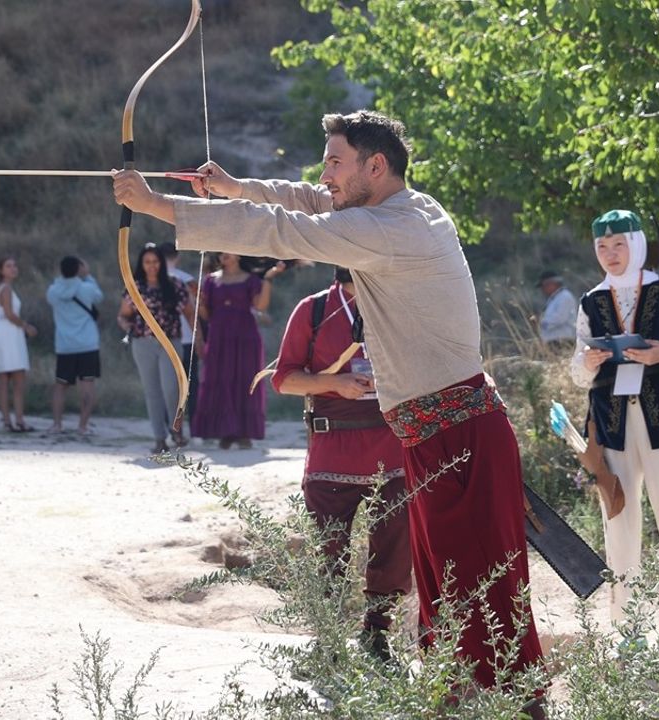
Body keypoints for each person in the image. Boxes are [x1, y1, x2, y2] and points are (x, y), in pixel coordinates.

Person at [112, 110, 544, 715]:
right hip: (441, 432)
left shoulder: (388, 230)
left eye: (336, 161)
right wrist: (238, 187)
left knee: (481, 598)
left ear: (376, 165)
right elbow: (310, 201)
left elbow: (283, 231)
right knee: (454, 599)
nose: (326, 174)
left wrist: (156, 204)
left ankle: (515, 708)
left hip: (458, 436)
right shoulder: (405, 207)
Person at [571, 209, 659, 657]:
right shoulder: (591, 301)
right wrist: (589, 362)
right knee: (619, 523)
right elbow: (577, 372)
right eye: (602, 247)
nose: (610, 255)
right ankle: (628, 628)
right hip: (612, 428)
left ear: (636, 244)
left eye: (618, 245)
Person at [272, 267, 411, 662]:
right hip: (333, 447)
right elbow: (283, 379)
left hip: (392, 447)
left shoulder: (397, 306)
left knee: (395, 547)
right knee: (328, 548)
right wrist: (334, 384)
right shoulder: (314, 310)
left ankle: (377, 634)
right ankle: (328, 637)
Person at [193, 251, 281, 449]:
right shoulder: (210, 280)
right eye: (221, 252)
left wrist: (267, 280)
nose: (225, 255)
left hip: (245, 337)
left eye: (229, 251)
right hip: (219, 337)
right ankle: (225, 432)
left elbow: (260, 306)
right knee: (221, 380)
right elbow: (206, 314)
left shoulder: (250, 280)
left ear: (238, 255)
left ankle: (244, 433)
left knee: (244, 380)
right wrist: (197, 299)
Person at [118, 244, 195, 454]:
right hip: (143, 342)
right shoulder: (135, 287)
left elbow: (189, 314)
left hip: (171, 341)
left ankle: (176, 430)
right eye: (147, 262)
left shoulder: (175, 285)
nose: (152, 266)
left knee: (172, 389)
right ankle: (159, 438)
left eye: (155, 261)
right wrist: (127, 327)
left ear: (161, 263)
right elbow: (123, 315)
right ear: (141, 265)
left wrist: (200, 341)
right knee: (152, 391)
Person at [45, 255, 103, 435]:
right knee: (87, 385)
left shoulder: (53, 291)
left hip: (64, 345)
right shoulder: (86, 288)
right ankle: (82, 426)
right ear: (79, 269)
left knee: (60, 386)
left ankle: (57, 424)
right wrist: (88, 276)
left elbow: (55, 292)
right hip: (87, 345)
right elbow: (99, 297)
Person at [0, 257, 37, 432]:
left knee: (3, 379)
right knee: (17, 378)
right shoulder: (5, 289)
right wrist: (25, 326)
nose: (13, 269)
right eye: (9, 266)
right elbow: (9, 313)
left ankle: (7, 420)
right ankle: (19, 419)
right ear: (1, 270)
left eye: (14, 265)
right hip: (8, 332)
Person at [158, 242, 201, 437]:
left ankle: (168, 427)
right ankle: (190, 427)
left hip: (161, 342)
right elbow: (196, 312)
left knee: (165, 387)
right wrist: (199, 338)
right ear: (178, 256)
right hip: (186, 339)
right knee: (189, 387)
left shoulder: (151, 280)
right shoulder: (188, 280)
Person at [537, 269, 577, 348]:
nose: (542, 289)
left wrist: (540, 322)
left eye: (544, 286)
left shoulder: (565, 297)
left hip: (563, 341)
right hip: (554, 342)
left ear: (552, 284)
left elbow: (559, 318)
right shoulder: (554, 299)